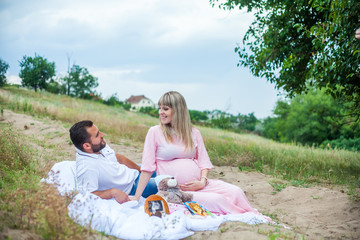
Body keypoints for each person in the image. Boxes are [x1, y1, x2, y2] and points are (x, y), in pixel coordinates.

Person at [130, 91, 263, 215]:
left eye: (165, 109)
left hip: (201, 185)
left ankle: (251, 214)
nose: (160, 112)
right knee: (217, 200)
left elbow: (203, 162)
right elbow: (147, 167)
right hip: (176, 191)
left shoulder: (194, 133)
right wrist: (137, 197)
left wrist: (202, 182)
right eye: (160, 108)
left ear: (178, 111)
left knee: (236, 192)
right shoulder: (155, 132)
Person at [69, 120, 157, 204]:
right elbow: (88, 195)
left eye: (99, 132)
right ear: (87, 146)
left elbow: (117, 157)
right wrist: (112, 192)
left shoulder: (97, 145)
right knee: (167, 180)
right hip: (133, 187)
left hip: (131, 173)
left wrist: (140, 170)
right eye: (97, 135)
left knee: (160, 168)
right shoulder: (86, 167)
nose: (103, 135)